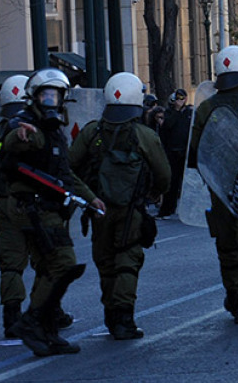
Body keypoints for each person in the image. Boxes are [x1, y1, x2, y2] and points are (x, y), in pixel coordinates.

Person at [0, 69, 105, 357]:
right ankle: (31, 322)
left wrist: (90, 198)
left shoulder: (54, 131)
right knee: (64, 262)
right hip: (34, 208)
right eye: (45, 95)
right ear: (33, 97)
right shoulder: (26, 124)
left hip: (49, 207)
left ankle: (47, 331)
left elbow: (65, 173)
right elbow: (14, 140)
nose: (50, 100)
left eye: (55, 95)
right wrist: (20, 134)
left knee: (48, 268)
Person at [70, 72, 170, 340]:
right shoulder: (145, 135)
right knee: (127, 260)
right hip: (131, 210)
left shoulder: (92, 132)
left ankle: (111, 315)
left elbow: (70, 167)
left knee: (105, 262)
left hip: (98, 209)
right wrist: (154, 194)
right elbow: (164, 175)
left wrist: (87, 196)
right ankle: (124, 319)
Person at [189, 45, 238, 324]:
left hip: (219, 185)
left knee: (226, 243)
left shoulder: (206, 107)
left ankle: (233, 295)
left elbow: (195, 151)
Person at [0, 74, 38, 334]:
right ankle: (49, 312)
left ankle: (12, 317)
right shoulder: (36, 128)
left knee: (10, 264)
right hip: (34, 203)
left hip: (5, 202)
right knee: (47, 260)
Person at [156, 88, 193, 219]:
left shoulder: (190, 113)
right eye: (178, 98)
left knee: (188, 183)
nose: (180, 101)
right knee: (172, 182)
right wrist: (176, 110)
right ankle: (167, 210)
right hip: (173, 152)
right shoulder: (169, 113)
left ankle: (188, 210)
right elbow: (167, 127)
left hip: (186, 152)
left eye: (182, 98)